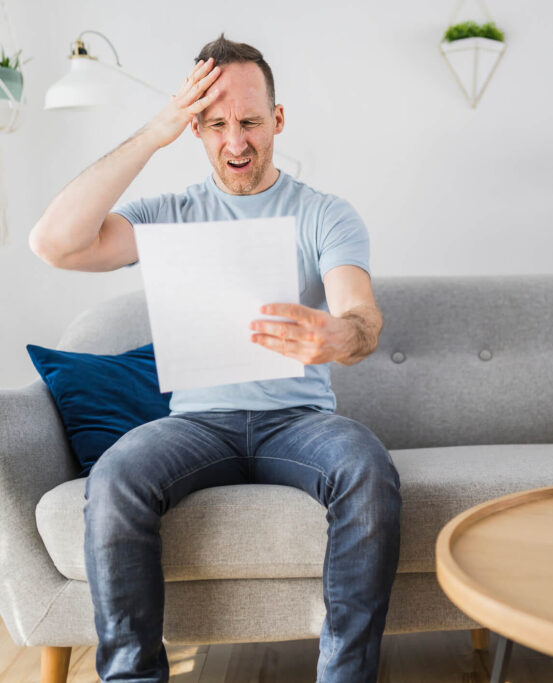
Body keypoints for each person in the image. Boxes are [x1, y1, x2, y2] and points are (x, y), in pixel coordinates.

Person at [28, 35, 401, 683]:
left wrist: (334, 336)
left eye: (252, 122)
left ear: (278, 120)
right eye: (217, 124)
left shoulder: (325, 215)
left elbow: (361, 319)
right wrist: (155, 132)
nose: (237, 142)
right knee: (115, 477)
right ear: (196, 127)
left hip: (299, 419)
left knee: (368, 470)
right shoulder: (169, 216)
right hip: (198, 424)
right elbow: (54, 243)